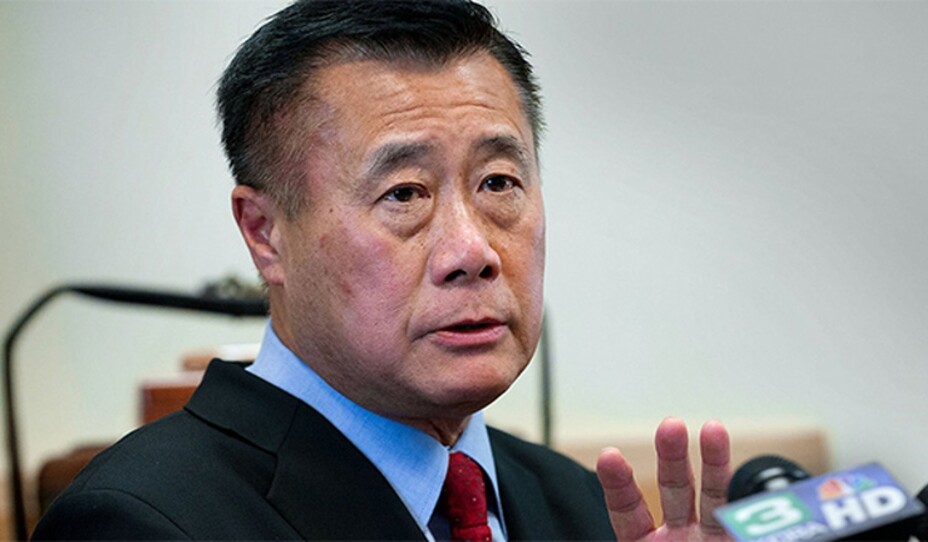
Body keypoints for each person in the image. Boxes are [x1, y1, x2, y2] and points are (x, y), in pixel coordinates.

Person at [33, 1, 731, 540]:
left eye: (497, 183)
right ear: (265, 233)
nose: (472, 251)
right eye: (404, 194)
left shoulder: (581, 505)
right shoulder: (143, 520)